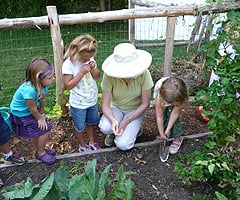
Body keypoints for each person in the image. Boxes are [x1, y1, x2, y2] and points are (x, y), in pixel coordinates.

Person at [98, 43, 154, 151]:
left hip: (135, 110)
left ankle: (136, 129)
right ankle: (112, 133)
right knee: (105, 127)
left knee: (123, 145)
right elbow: (105, 104)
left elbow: (145, 103)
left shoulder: (144, 74)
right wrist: (113, 120)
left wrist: (127, 121)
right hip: (116, 108)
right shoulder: (109, 75)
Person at [10, 57, 56, 165]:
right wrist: (40, 118)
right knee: (45, 130)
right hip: (21, 114)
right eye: (50, 78)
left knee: (39, 130)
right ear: (38, 78)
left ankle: (39, 149)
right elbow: (32, 108)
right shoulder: (29, 90)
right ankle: (40, 153)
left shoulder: (43, 85)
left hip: (31, 111)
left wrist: (42, 113)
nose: (53, 79)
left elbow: (43, 98)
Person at [62, 34, 101, 152]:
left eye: (90, 57)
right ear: (77, 52)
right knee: (80, 126)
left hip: (91, 100)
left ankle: (92, 141)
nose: (88, 60)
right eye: (85, 58)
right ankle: (82, 144)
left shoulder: (90, 59)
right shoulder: (68, 65)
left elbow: (97, 77)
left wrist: (93, 68)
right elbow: (68, 86)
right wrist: (81, 73)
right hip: (78, 103)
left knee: (91, 122)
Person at [197, 19, 239, 121]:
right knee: (220, 94)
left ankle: (223, 115)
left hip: (231, 73)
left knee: (229, 95)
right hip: (222, 74)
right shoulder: (226, 46)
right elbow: (220, 60)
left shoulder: (233, 46)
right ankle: (205, 110)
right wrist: (223, 70)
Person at [154, 77, 188, 155]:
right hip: (163, 98)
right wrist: (161, 132)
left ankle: (177, 137)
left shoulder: (180, 94)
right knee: (164, 115)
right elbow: (159, 116)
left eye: (174, 104)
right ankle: (163, 134)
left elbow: (175, 113)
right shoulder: (159, 98)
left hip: (175, 97)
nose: (172, 104)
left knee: (175, 120)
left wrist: (169, 128)